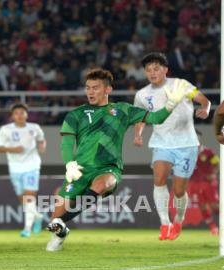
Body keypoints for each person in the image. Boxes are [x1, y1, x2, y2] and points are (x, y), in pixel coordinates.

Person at [45, 68, 186, 252]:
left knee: (103, 184)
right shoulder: (76, 114)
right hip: (79, 169)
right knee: (55, 216)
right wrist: (70, 164)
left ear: (108, 90)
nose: (90, 92)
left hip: (109, 168)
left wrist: (170, 105)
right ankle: (60, 232)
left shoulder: (122, 110)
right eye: (88, 88)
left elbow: (155, 118)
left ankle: (60, 223)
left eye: (95, 88)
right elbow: (66, 143)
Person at [133, 52, 210, 240]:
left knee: (179, 190)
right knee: (159, 179)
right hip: (161, 142)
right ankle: (165, 224)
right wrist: (138, 134)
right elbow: (140, 118)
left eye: (156, 68)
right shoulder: (142, 95)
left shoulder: (180, 85)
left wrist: (206, 108)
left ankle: (179, 218)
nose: (152, 72)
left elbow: (203, 100)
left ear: (165, 70)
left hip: (187, 144)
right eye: (148, 70)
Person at [0, 103, 46, 238]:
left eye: (22, 113)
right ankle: (38, 216)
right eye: (16, 113)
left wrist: (42, 147)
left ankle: (27, 229)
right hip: (15, 168)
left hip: (32, 166)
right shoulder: (5, 129)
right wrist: (12, 149)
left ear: (26, 115)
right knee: (23, 199)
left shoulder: (34, 128)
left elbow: (41, 139)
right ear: (12, 116)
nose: (20, 115)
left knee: (29, 196)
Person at [188, 130, 219, 235]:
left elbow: (217, 163)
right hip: (194, 183)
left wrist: (213, 173)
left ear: (200, 138)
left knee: (215, 206)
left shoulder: (208, 152)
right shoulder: (186, 152)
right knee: (202, 206)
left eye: (197, 137)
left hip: (208, 182)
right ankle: (213, 228)